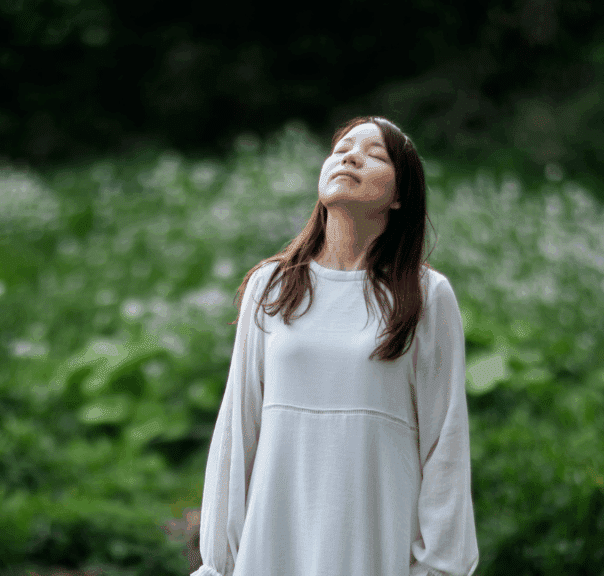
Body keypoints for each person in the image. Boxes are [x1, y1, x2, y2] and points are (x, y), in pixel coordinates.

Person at [190, 116, 478, 576]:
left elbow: (444, 443)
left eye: (376, 154)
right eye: (342, 147)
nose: (350, 156)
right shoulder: (273, 285)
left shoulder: (426, 295)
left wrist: (440, 568)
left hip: (374, 544)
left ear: (400, 194)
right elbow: (237, 430)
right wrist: (219, 564)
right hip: (272, 543)